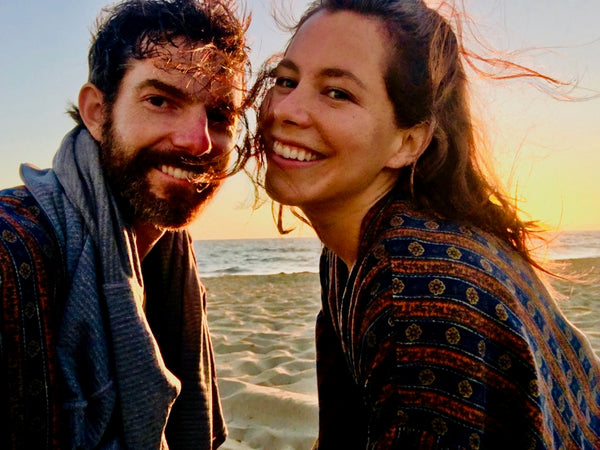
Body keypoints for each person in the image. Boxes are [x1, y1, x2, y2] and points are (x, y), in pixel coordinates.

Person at [248, 0, 600, 448]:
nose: (287, 109)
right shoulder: (352, 253)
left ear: (408, 141)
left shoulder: (421, 289)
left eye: (337, 92)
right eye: (285, 80)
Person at [0, 0, 250, 448]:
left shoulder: (168, 256)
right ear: (97, 112)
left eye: (219, 116)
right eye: (160, 101)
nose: (197, 140)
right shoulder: (11, 250)